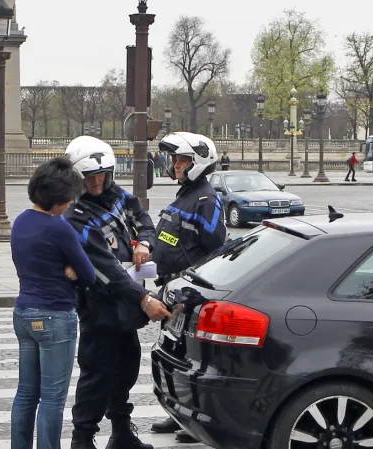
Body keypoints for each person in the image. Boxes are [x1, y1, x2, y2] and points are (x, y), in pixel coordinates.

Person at [62, 136, 172, 449]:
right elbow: (106, 270)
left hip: (125, 303)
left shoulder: (117, 196)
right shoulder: (75, 217)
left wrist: (144, 242)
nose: (97, 181)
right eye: (90, 177)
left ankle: (121, 433)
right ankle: (82, 439)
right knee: (96, 374)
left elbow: (143, 218)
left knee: (126, 367)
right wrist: (145, 299)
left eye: (103, 174)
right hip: (100, 305)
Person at [10, 157, 96, 449]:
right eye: (70, 197)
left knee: (25, 393)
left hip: (23, 312)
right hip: (55, 314)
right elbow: (88, 275)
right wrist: (71, 269)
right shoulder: (59, 228)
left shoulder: (21, 221)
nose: (72, 202)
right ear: (58, 198)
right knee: (52, 398)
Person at [149, 132, 227, 444]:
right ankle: (176, 411)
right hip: (171, 286)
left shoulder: (206, 199)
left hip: (188, 291)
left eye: (182, 160)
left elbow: (214, 245)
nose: (176, 165)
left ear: (198, 162)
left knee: (189, 358)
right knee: (171, 353)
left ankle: (193, 419)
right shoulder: (186, 194)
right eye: (176, 160)